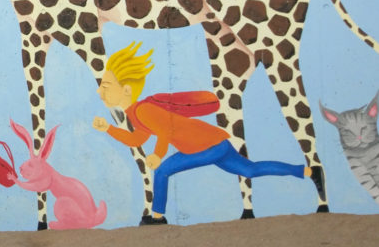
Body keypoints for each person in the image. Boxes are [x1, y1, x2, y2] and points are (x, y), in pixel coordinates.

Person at [92, 41, 311, 225]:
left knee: (163, 171)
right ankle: (306, 172)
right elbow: (136, 139)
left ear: (127, 90)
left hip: (205, 147)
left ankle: (157, 217)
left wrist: (158, 155)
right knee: (250, 170)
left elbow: (164, 132)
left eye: (106, 85)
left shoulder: (143, 109)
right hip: (216, 144)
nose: (99, 91)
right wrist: (109, 128)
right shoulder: (136, 113)